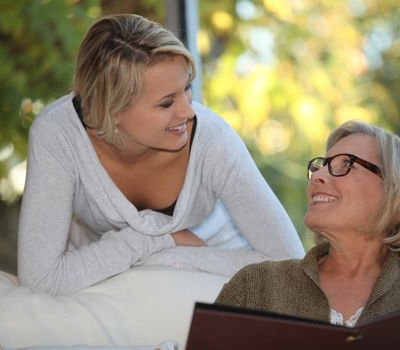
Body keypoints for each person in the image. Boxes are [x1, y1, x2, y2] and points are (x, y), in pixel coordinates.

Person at [17, 14, 304, 295]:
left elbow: (289, 266)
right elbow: (40, 279)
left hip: (215, 261)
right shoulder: (57, 135)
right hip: (102, 276)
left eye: (187, 88)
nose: (189, 111)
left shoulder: (214, 141)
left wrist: (167, 255)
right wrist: (152, 241)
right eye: (167, 103)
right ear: (113, 110)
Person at [215, 120, 400, 349]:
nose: (318, 176)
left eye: (345, 164)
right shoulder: (255, 287)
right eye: (321, 166)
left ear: (396, 190)